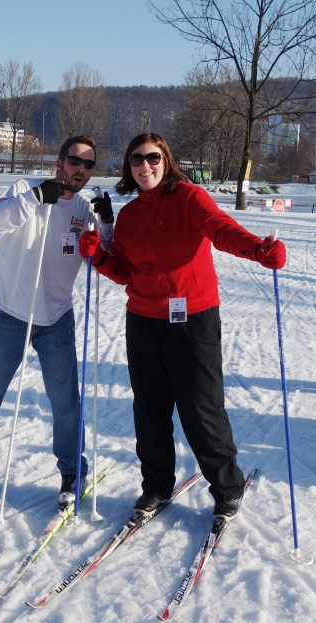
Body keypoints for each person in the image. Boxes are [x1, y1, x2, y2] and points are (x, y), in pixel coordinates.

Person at [77, 133, 286, 522]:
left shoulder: (190, 198)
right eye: (136, 159)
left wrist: (258, 250)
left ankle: (227, 487)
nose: (145, 166)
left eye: (152, 158)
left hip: (193, 320)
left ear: (166, 160)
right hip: (143, 321)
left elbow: (221, 229)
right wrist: (98, 257)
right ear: (129, 167)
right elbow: (124, 271)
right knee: (150, 410)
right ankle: (156, 487)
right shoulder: (130, 216)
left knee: (201, 408)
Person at [0, 135, 113, 510]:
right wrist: (35, 198)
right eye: (75, 161)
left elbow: (106, 254)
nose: (81, 170)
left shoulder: (84, 208)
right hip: (10, 314)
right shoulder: (23, 189)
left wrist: (108, 222)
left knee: (65, 401)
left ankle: (72, 470)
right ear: (59, 163)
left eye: (88, 165)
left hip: (56, 318)